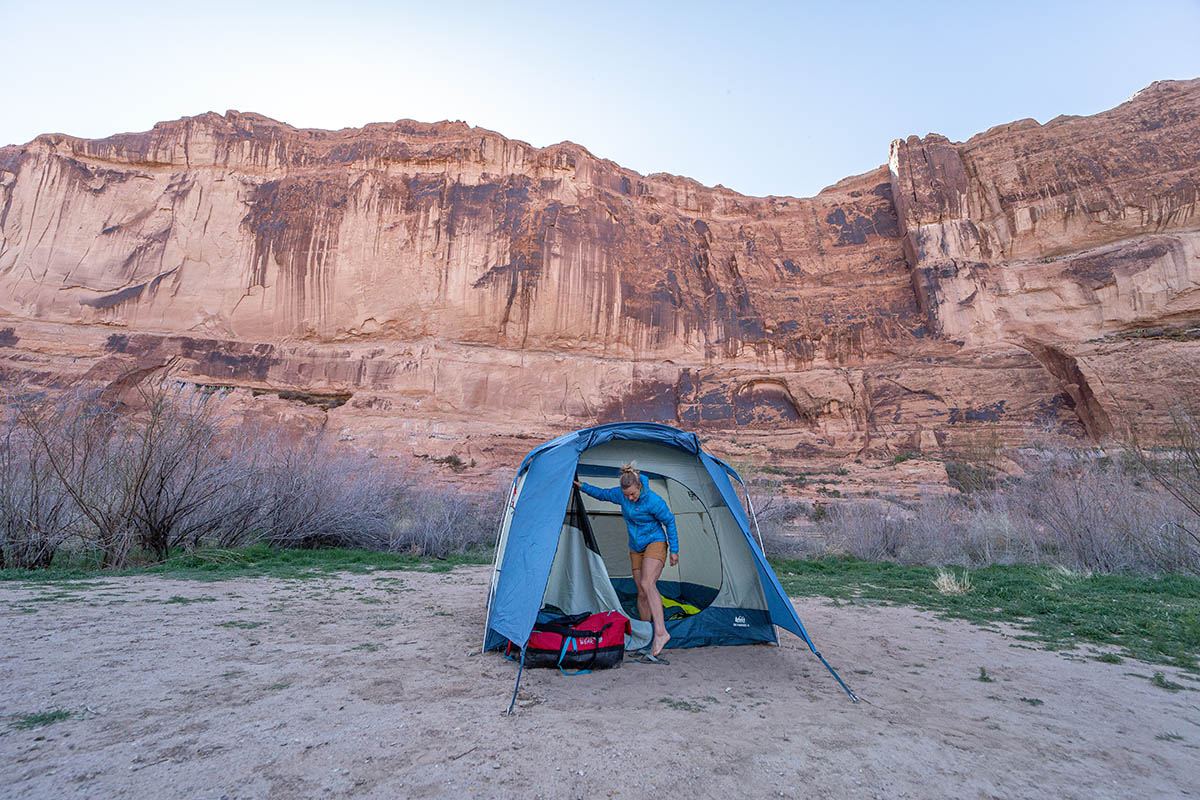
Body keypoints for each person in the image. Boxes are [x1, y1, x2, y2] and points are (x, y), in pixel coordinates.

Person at [574, 462, 678, 659]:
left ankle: (661, 632)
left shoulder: (653, 501)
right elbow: (602, 493)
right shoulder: (621, 495)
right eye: (627, 495)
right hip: (636, 547)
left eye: (633, 494)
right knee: (641, 592)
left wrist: (674, 550)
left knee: (648, 583)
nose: (630, 498)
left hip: (655, 541)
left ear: (639, 486)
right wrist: (582, 486)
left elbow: (669, 521)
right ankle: (646, 636)